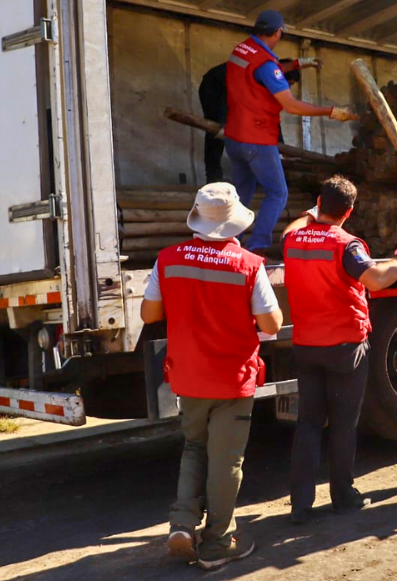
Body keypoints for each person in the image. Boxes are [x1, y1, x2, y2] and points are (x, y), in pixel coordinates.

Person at [140, 183, 284, 570]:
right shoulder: (248, 265)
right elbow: (272, 323)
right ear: (235, 222)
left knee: (194, 447)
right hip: (232, 378)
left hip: (188, 376)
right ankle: (217, 544)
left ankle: (182, 524)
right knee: (226, 461)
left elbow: (149, 315)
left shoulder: (168, 259)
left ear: (198, 218)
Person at [281, 175, 397, 524]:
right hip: (344, 347)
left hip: (306, 344)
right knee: (343, 424)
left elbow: (291, 229)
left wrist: (311, 214)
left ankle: (300, 505)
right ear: (350, 211)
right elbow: (377, 280)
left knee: (308, 424)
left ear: (318, 203)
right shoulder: (346, 245)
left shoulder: (294, 239)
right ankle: (343, 496)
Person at [224, 9, 355, 254]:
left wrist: (296, 64)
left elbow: (261, 71)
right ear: (278, 32)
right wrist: (332, 111)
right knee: (277, 193)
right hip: (257, 139)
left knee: (242, 193)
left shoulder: (241, 50)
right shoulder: (266, 63)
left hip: (233, 136)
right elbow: (291, 105)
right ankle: (257, 247)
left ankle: (229, 242)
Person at [198, 58, 305, 184]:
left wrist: (281, 144)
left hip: (230, 91)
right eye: (289, 84)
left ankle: (250, 177)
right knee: (216, 130)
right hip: (214, 86)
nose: (288, 88)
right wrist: (223, 121)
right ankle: (213, 177)